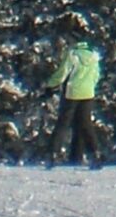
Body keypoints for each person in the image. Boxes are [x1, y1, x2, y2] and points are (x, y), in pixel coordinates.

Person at [43, 33, 106, 168]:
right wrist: (90, 87)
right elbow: (97, 75)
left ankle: (53, 154)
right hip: (88, 93)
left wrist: (50, 85)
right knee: (86, 124)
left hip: (72, 93)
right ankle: (95, 154)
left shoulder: (72, 54)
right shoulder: (94, 55)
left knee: (63, 123)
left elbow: (62, 73)